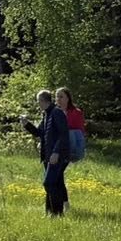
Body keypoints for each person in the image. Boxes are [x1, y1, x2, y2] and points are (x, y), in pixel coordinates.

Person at [22, 88, 71, 216]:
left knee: (49, 183)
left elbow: (63, 134)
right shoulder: (46, 114)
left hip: (57, 156)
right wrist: (27, 124)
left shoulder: (57, 113)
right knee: (55, 183)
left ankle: (56, 213)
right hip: (48, 156)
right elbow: (39, 133)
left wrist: (56, 152)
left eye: (38, 101)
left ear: (44, 101)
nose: (38, 104)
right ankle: (51, 213)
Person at [56, 88, 87, 163]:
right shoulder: (54, 112)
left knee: (71, 132)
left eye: (61, 97)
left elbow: (81, 130)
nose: (58, 99)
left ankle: (72, 156)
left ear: (67, 98)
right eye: (57, 96)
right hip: (58, 140)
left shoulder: (76, 112)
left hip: (74, 140)